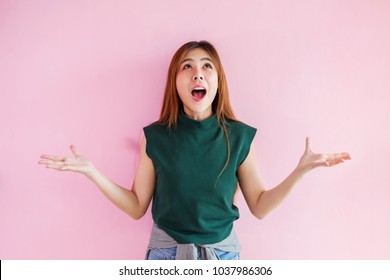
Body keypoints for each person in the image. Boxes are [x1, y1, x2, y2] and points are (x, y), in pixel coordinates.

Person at [38, 40, 351, 260]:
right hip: (165, 256)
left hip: (224, 258)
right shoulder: (155, 136)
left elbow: (259, 205)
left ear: (217, 80)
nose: (197, 73)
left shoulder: (240, 137)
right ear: (176, 81)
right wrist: (92, 172)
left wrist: (301, 171)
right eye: (186, 67)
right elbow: (136, 207)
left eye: (206, 66)